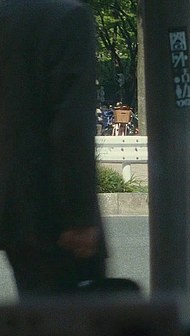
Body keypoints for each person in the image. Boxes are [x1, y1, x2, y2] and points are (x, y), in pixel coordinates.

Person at [0, 0, 108, 298]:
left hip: (12, 197)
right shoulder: (66, 17)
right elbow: (72, 125)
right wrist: (79, 217)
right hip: (47, 208)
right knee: (67, 316)